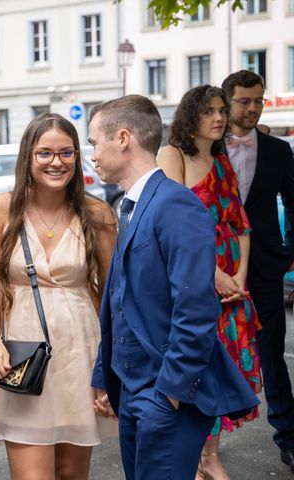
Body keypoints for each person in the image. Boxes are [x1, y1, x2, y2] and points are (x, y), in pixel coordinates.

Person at [89, 95, 259, 480]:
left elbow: (196, 309)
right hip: (132, 389)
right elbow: (120, 299)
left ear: (123, 138)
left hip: (165, 394)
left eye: (95, 142)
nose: (93, 154)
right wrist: (104, 376)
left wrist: (169, 394)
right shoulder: (131, 204)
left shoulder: (176, 204)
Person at [0, 113, 118, 479]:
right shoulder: (2, 209)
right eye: (45, 153)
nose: (56, 162)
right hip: (23, 358)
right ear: (28, 157)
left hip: (80, 355)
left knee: (72, 473)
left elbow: (114, 293)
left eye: (66, 153)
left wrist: (111, 360)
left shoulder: (96, 213)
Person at [157, 85, 262, 480]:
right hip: (193, 279)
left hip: (230, 285)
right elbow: (174, 226)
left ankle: (209, 456)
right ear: (190, 115)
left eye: (222, 110)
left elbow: (242, 226)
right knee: (195, 362)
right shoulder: (173, 156)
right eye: (209, 111)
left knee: (224, 365)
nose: (219, 117)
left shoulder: (222, 161)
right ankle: (200, 459)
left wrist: (238, 276)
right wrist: (214, 275)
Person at [222, 70, 294, 471]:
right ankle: (204, 440)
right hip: (213, 266)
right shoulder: (207, 148)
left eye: (257, 101)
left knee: (271, 354)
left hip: (266, 265)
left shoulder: (279, 150)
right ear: (227, 101)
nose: (251, 108)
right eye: (243, 101)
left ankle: (288, 436)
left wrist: (289, 253)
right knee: (212, 349)